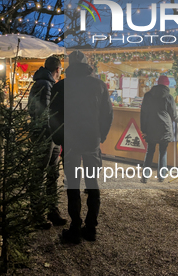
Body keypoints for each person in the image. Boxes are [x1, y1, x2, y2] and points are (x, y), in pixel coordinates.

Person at [58, 51, 113, 243]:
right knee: (92, 183)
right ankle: (91, 227)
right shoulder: (98, 85)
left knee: (72, 184)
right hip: (91, 140)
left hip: (71, 140)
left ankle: (75, 226)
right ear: (87, 65)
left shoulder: (63, 86)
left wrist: (59, 139)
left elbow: (53, 115)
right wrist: (101, 135)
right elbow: (107, 113)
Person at [27, 56, 67, 228]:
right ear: (57, 70)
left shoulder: (40, 83)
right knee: (42, 173)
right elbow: (47, 112)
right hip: (46, 134)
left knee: (51, 173)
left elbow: (32, 109)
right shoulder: (46, 85)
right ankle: (37, 214)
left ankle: (51, 210)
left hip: (48, 134)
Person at [140, 75, 178, 183]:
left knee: (150, 151)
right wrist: (177, 120)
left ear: (157, 83)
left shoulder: (148, 95)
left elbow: (143, 113)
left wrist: (144, 130)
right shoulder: (169, 97)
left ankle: (145, 176)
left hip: (150, 127)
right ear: (167, 84)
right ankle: (161, 176)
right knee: (163, 151)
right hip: (164, 127)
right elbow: (173, 114)